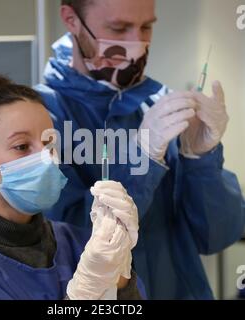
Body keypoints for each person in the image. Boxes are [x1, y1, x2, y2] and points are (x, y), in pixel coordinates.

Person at [36, 0, 245, 299]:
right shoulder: (41, 116)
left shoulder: (161, 107)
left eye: (146, 27)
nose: (137, 43)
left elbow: (216, 237)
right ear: (71, 19)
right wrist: (141, 160)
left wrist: (200, 159)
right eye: (118, 28)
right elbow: (67, 241)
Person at [0, 63, 144, 300]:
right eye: (21, 146)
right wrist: (84, 294)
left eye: (49, 144)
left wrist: (119, 281)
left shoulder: (81, 245)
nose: (46, 158)